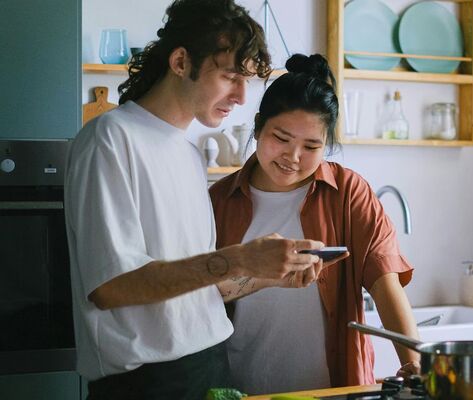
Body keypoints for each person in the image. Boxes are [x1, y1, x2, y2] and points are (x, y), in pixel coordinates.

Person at [64, 1, 327, 399]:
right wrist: (240, 258)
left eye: (246, 80)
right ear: (181, 62)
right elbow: (111, 287)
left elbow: (198, 290)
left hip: (211, 367)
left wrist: (268, 275)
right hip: (147, 385)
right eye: (230, 77)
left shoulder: (189, 153)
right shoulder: (110, 139)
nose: (241, 96)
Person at [208, 53, 420, 395]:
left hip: (332, 390)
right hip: (241, 388)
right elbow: (201, 295)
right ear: (259, 126)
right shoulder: (219, 200)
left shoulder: (348, 193)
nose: (293, 157)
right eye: (281, 138)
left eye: (311, 146)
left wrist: (415, 364)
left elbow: (385, 283)